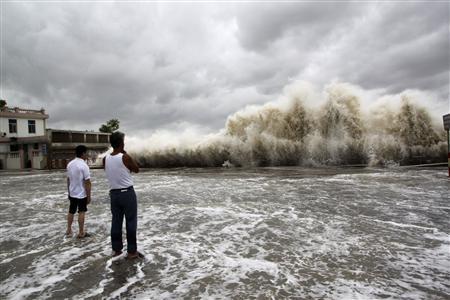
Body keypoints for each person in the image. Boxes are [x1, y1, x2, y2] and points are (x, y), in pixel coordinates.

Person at [103, 131, 140, 259]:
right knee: (131, 222)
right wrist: (126, 155)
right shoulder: (125, 157)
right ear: (121, 143)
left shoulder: (105, 159)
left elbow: (111, 171)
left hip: (114, 194)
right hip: (127, 194)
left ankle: (117, 249)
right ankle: (131, 252)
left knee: (116, 221)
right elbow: (136, 169)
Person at [66, 145, 91, 238]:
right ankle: (81, 232)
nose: (87, 155)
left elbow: (68, 180)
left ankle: (68, 229)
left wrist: (69, 192)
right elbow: (87, 182)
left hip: (72, 193)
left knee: (71, 211)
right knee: (81, 212)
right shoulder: (84, 165)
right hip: (81, 194)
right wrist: (88, 196)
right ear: (83, 153)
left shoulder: (70, 164)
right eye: (86, 153)